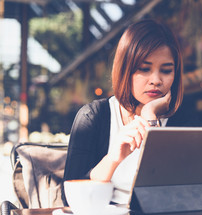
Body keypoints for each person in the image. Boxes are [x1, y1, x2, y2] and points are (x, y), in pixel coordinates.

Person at [62, 19, 183, 205]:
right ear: (125, 69)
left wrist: (150, 114)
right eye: (144, 69)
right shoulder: (94, 117)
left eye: (166, 71)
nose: (156, 80)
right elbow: (69, 199)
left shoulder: (184, 119)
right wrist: (112, 158)